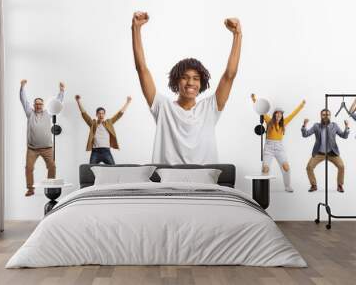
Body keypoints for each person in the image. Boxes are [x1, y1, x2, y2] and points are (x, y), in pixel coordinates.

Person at [131, 11, 242, 164]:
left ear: (201, 83)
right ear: (176, 81)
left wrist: (237, 35)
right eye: (185, 77)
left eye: (196, 79)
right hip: (168, 183)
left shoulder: (209, 108)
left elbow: (230, 74)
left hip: (204, 182)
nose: (190, 83)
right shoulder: (163, 107)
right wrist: (135, 29)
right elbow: (141, 69)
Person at [20, 80, 66, 197]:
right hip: (32, 149)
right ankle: (30, 189)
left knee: (52, 166)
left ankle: (50, 187)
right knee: (28, 168)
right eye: (36, 104)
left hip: (47, 148)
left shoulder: (48, 113)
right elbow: (23, 100)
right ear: (34, 105)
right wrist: (22, 87)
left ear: (43, 105)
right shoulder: (30, 113)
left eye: (40, 104)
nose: (38, 105)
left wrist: (61, 91)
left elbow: (57, 103)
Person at [251, 94, 305, 192]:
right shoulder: (269, 121)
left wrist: (301, 105)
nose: (278, 115)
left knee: (286, 167)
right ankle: (264, 188)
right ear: (274, 114)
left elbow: (293, 114)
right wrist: (254, 99)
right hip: (269, 147)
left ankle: (287, 186)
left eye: (280, 114)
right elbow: (261, 110)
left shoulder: (284, 123)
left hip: (279, 147)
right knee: (265, 169)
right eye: (277, 113)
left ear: (282, 115)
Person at [302, 109, 350, 192]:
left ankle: (340, 185)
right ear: (321, 116)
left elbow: (344, 136)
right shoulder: (316, 126)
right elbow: (305, 134)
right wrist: (304, 125)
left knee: (341, 166)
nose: (325, 116)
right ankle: (314, 185)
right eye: (324, 115)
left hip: (332, 152)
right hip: (319, 153)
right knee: (309, 167)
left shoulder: (334, 126)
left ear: (330, 116)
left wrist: (346, 127)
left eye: (327, 115)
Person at [75, 95, 132, 164]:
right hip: (95, 152)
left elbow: (119, 115)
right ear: (96, 115)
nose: (101, 115)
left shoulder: (109, 122)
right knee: (91, 171)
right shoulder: (93, 123)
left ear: (104, 114)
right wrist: (78, 101)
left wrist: (127, 102)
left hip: (106, 152)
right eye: (99, 113)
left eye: (102, 113)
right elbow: (84, 114)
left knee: (113, 169)